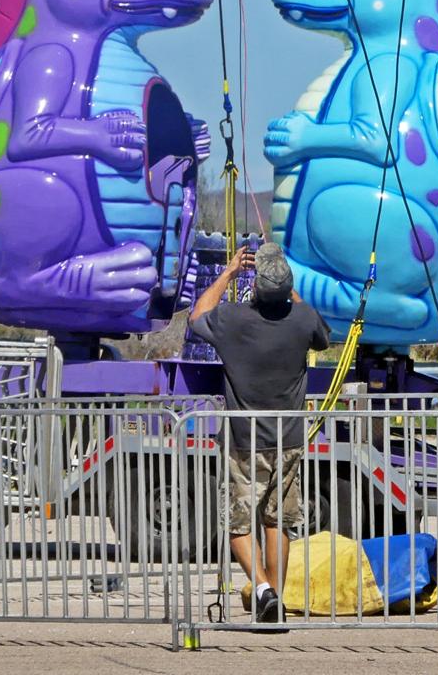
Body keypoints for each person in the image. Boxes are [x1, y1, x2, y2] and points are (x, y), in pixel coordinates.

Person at [189, 242, 331, 628]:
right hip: (288, 439)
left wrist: (229, 272)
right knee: (277, 522)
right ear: (286, 289)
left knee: (237, 523)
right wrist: (290, 289)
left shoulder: (233, 319)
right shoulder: (301, 321)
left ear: (254, 288)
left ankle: (265, 591)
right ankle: (276, 600)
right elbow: (321, 332)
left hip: (243, 442)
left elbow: (196, 314)